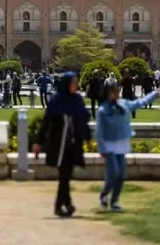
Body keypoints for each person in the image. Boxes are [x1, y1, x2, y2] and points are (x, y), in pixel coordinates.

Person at [96, 80, 159, 212]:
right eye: (113, 91)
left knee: (121, 174)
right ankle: (104, 193)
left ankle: (114, 201)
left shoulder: (124, 104)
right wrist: (101, 147)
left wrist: (154, 95)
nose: (116, 93)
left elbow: (139, 103)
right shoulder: (103, 110)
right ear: (108, 93)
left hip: (122, 144)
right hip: (109, 145)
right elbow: (99, 131)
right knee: (113, 172)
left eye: (116, 90)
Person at [34, 72, 91, 218]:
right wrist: (39, 142)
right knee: (64, 175)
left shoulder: (78, 100)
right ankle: (61, 205)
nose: (76, 85)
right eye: (74, 83)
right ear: (67, 84)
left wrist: (88, 137)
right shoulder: (56, 101)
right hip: (58, 145)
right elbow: (46, 122)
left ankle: (66, 203)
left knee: (66, 175)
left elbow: (83, 120)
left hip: (73, 145)